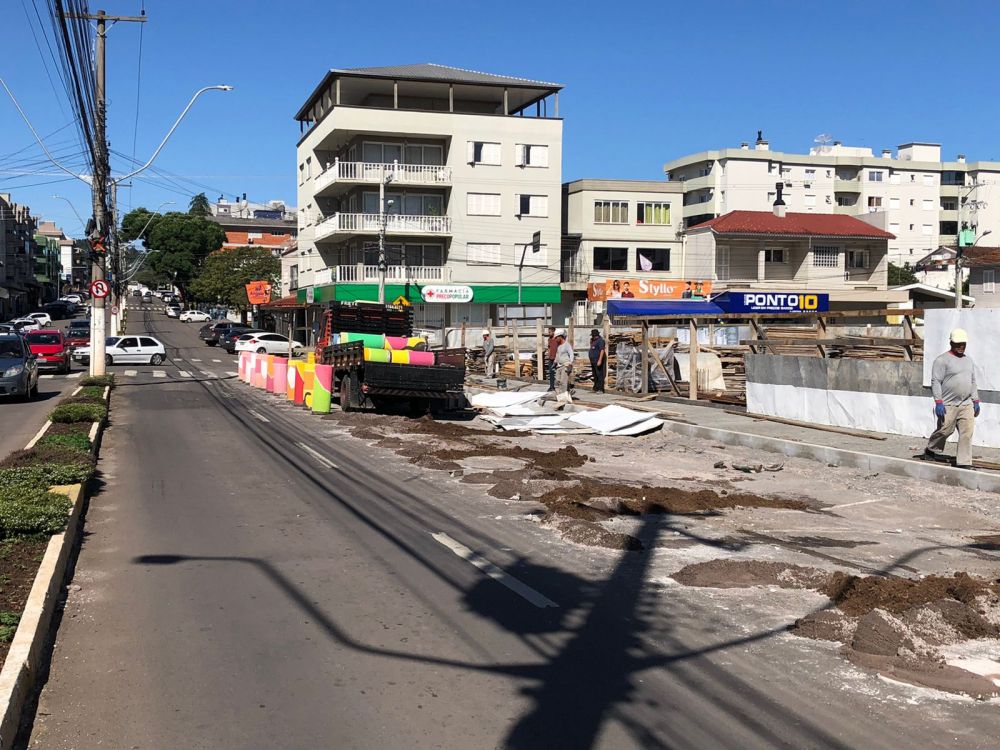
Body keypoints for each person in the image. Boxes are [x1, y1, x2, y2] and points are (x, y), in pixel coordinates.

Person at [925, 328, 981, 469]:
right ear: (951, 343)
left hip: (966, 403)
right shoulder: (942, 360)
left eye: (963, 343)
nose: (961, 346)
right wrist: (938, 401)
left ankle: (963, 462)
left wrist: (976, 400)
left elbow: (973, 381)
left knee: (967, 433)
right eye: (958, 344)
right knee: (945, 430)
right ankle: (931, 448)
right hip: (948, 403)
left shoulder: (968, 361)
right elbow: (936, 381)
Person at [553, 328, 575, 407]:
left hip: (565, 366)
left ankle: (564, 400)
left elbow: (571, 354)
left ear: (560, 337)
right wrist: (555, 362)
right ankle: (560, 397)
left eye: (556, 338)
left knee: (563, 383)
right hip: (559, 366)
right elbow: (557, 355)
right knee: (556, 382)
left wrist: (570, 363)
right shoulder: (559, 346)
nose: (555, 339)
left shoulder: (567, 345)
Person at [589, 328, 607, 393]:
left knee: (599, 374)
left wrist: (600, 360)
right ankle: (596, 387)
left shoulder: (600, 341)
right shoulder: (593, 341)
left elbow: (602, 350)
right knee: (595, 374)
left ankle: (601, 389)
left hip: (598, 359)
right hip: (593, 360)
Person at [547, 325, 559, 391]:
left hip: (557, 359)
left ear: (554, 332)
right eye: (548, 332)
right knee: (551, 373)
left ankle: (561, 387)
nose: (548, 333)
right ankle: (551, 386)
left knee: (559, 373)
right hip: (551, 358)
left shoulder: (557, 339)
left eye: (550, 332)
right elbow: (548, 347)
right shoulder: (549, 339)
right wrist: (549, 354)